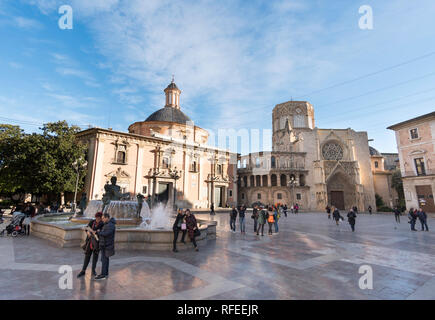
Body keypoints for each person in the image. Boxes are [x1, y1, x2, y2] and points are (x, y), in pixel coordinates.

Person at [77, 212, 104, 278]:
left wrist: (97, 232)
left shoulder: (102, 224)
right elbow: (87, 228)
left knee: (95, 257)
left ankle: (93, 270)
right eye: (96, 218)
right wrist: (88, 232)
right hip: (89, 242)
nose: (97, 219)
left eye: (98, 218)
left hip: (97, 243)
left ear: (101, 218)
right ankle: (83, 270)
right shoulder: (92, 222)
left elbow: (102, 232)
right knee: (87, 256)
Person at [95, 213, 116, 280]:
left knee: (104, 260)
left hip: (107, 245)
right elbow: (105, 232)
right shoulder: (107, 224)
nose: (102, 219)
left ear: (107, 218)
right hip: (104, 244)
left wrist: (98, 232)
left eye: (103, 218)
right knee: (104, 260)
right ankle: (105, 273)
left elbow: (106, 233)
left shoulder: (111, 225)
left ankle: (103, 274)